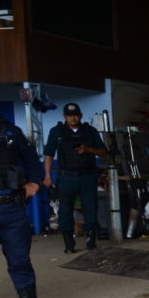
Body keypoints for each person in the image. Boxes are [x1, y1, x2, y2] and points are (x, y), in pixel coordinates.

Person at [0, 86, 55, 298]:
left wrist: (35, 182)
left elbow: (30, 158)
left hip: (11, 207)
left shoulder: (10, 130)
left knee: (20, 258)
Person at [43, 102, 108, 254]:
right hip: (66, 177)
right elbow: (49, 155)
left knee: (91, 208)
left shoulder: (90, 131)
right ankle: (68, 244)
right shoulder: (57, 132)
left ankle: (91, 241)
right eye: (69, 115)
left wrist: (88, 150)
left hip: (87, 176)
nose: (73, 118)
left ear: (81, 115)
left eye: (76, 115)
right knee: (65, 210)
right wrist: (47, 176)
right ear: (64, 116)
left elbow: (103, 152)